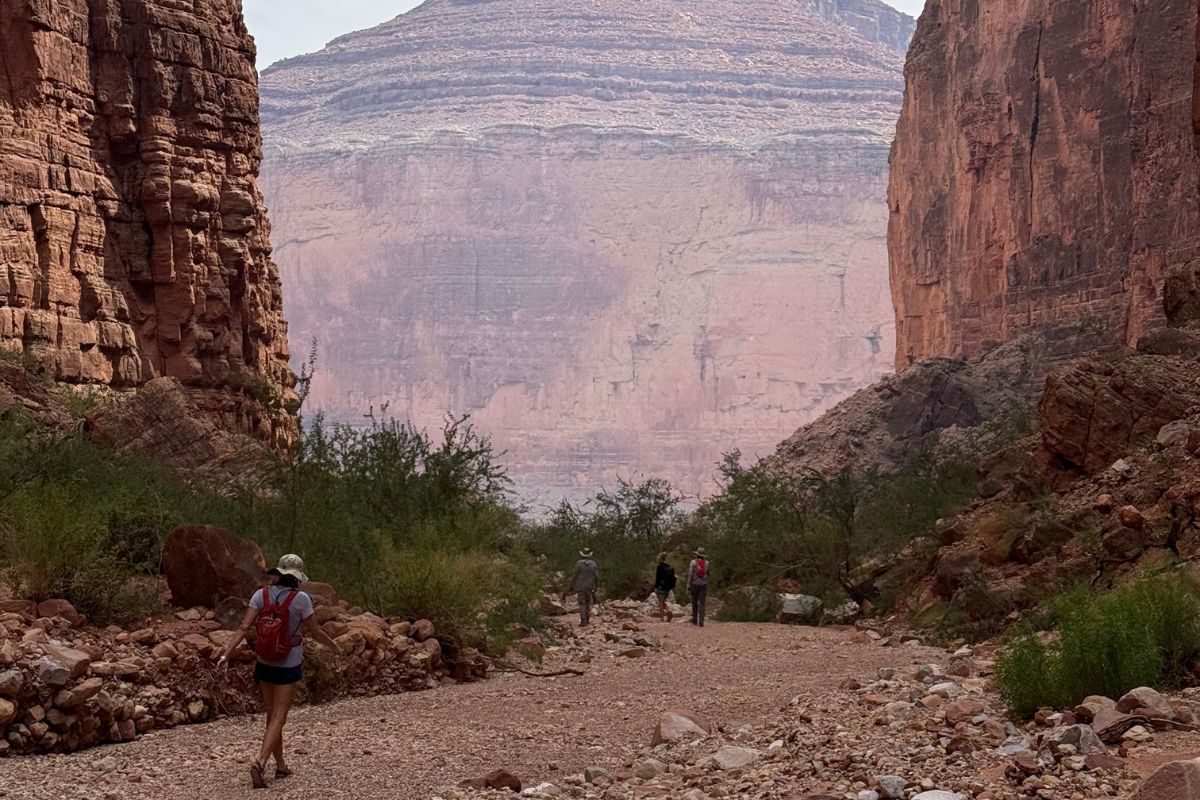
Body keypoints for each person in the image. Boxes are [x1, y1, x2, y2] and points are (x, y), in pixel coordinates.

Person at [217, 554, 341, 789]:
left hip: (264, 661)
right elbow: (314, 631)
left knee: (271, 715)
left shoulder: (260, 595)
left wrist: (226, 654)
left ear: (279, 572)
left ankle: (281, 765)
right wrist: (334, 646)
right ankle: (260, 762)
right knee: (279, 716)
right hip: (288, 662)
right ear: (296, 577)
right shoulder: (301, 599)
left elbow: (244, 627)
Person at [569, 548, 600, 626]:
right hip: (589, 586)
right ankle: (587, 619)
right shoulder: (593, 564)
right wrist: (596, 585)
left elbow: (574, 575)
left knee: (582, 603)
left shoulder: (578, 564)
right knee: (588, 603)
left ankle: (583, 620)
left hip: (580, 587)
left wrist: (571, 586)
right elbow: (596, 576)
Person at [687, 548, 710, 626]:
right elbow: (708, 574)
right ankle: (701, 621)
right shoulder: (707, 563)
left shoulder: (693, 562)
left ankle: (695, 620)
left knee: (694, 602)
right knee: (702, 603)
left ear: (697, 554)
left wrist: (688, 584)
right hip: (703, 584)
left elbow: (690, 574)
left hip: (694, 584)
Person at [654, 553, 677, 621]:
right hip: (668, 588)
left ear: (660, 559)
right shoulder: (670, 567)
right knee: (663, 602)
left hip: (661, 587)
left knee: (660, 603)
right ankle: (668, 611)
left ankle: (662, 618)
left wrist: (656, 587)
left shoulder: (659, 567)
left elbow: (658, 578)